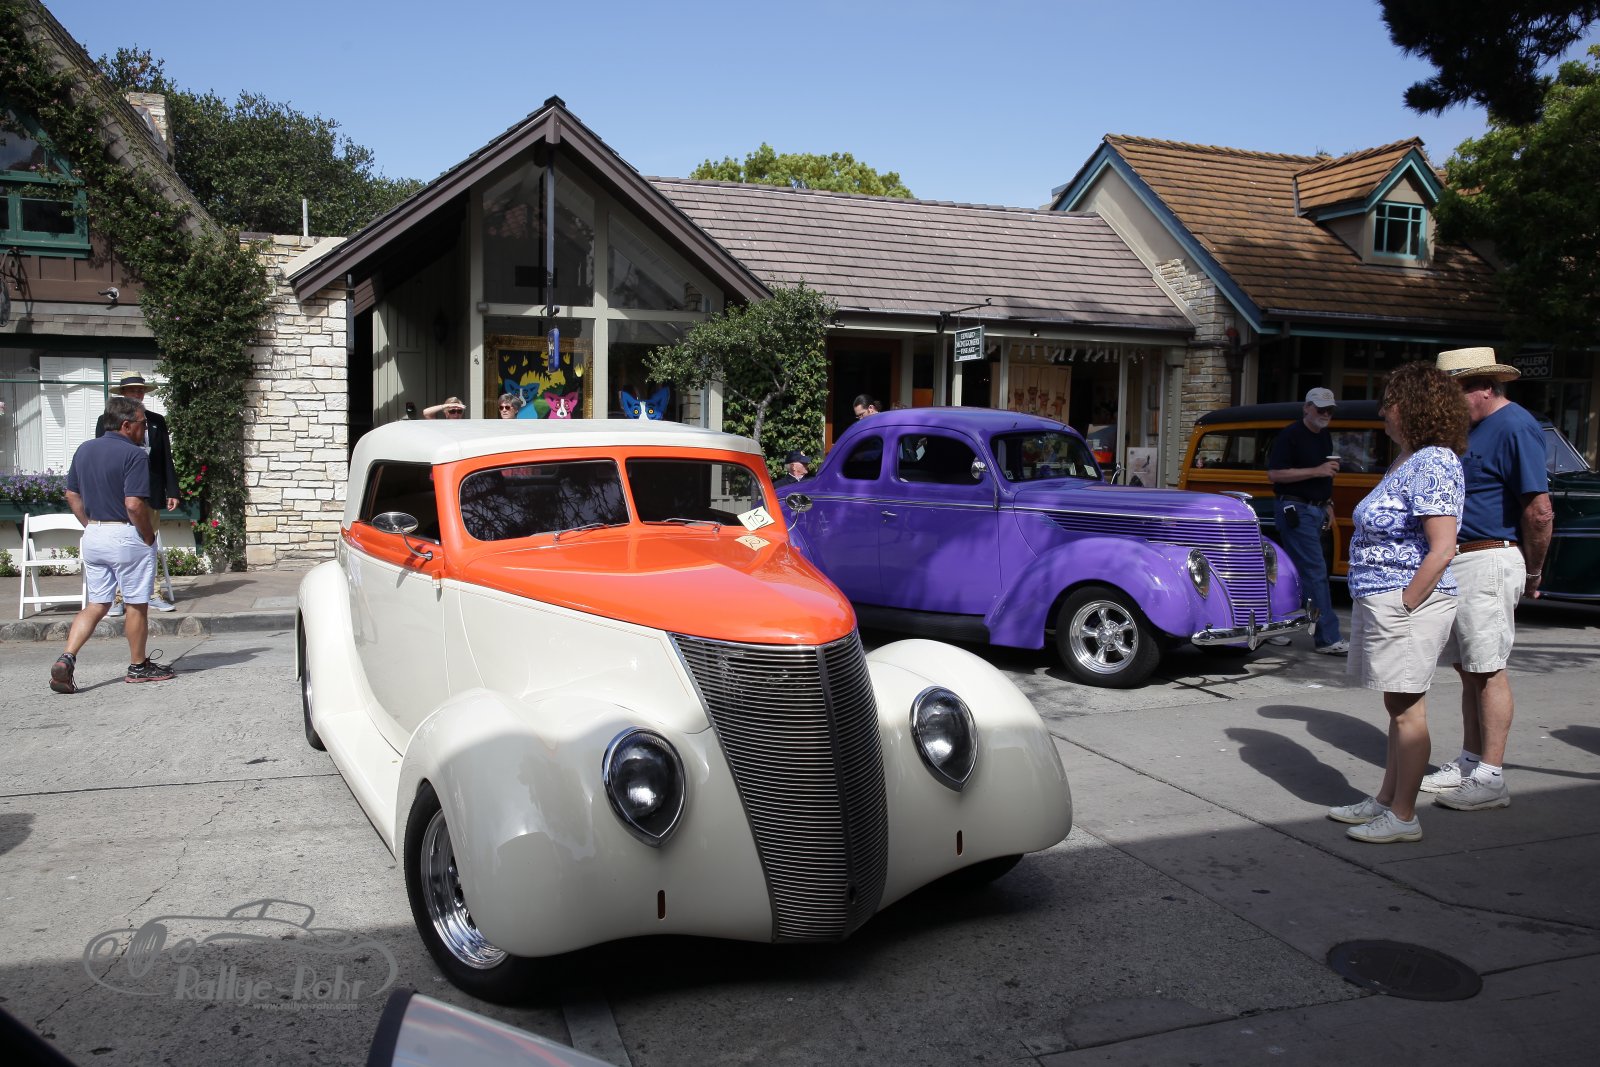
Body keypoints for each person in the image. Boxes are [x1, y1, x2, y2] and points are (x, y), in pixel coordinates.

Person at [1328, 361, 1468, 843]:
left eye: (1390, 402)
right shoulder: (1409, 459)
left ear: (1413, 406)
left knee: (1408, 711)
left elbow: (1443, 547)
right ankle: (1387, 799)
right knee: (1398, 707)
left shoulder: (1434, 461)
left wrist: (1407, 603)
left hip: (1408, 602)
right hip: (1385, 599)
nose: (1382, 411)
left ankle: (1404, 817)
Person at [1422, 348, 1554, 812]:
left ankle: (1490, 777)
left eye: (1453, 393)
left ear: (1481, 387)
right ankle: (1470, 762)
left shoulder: (1514, 425)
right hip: (1465, 559)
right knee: (1470, 670)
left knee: (1488, 669)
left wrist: (1533, 570)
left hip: (1488, 557)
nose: (1448, 405)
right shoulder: (1476, 426)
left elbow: (1539, 510)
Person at [49, 396, 176, 693]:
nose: (145, 429)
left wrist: (90, 524)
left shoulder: (84, 449)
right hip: (126, 535)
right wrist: (147, 535)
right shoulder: (134, 455)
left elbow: (71, 494)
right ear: (126, 425)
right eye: (142, 423)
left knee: (97, 604)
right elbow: (133, 504)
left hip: (94, 534)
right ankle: (138, 666)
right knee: (136, 603)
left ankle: (67, 657)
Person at [1267, 387, 1346, 654]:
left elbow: (1324, 476)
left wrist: (1328, 503)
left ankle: (1272, 624)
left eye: (1329, 410)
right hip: (1296, 509)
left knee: (1290, 571)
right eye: (1321, 409)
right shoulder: (1290, 435)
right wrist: (1317, 471)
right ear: (1307, 408)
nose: (1325, 414)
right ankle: (1328, 638)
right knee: (1315, 572)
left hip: (1315, 509)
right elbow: (1275, 474)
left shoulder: (1324, 436)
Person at [96, 374, 179, 614]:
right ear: (123, 394)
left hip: (150, 489)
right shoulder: (106, 421)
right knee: (120, 544)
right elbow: (102, 455)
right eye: (132, 391)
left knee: (148, 542)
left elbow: (165, 457)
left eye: (140, 391)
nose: (137, 394)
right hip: (119, 491)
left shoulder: (156, 421)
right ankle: (118, 596)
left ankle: (151, 592)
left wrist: (172, 489)